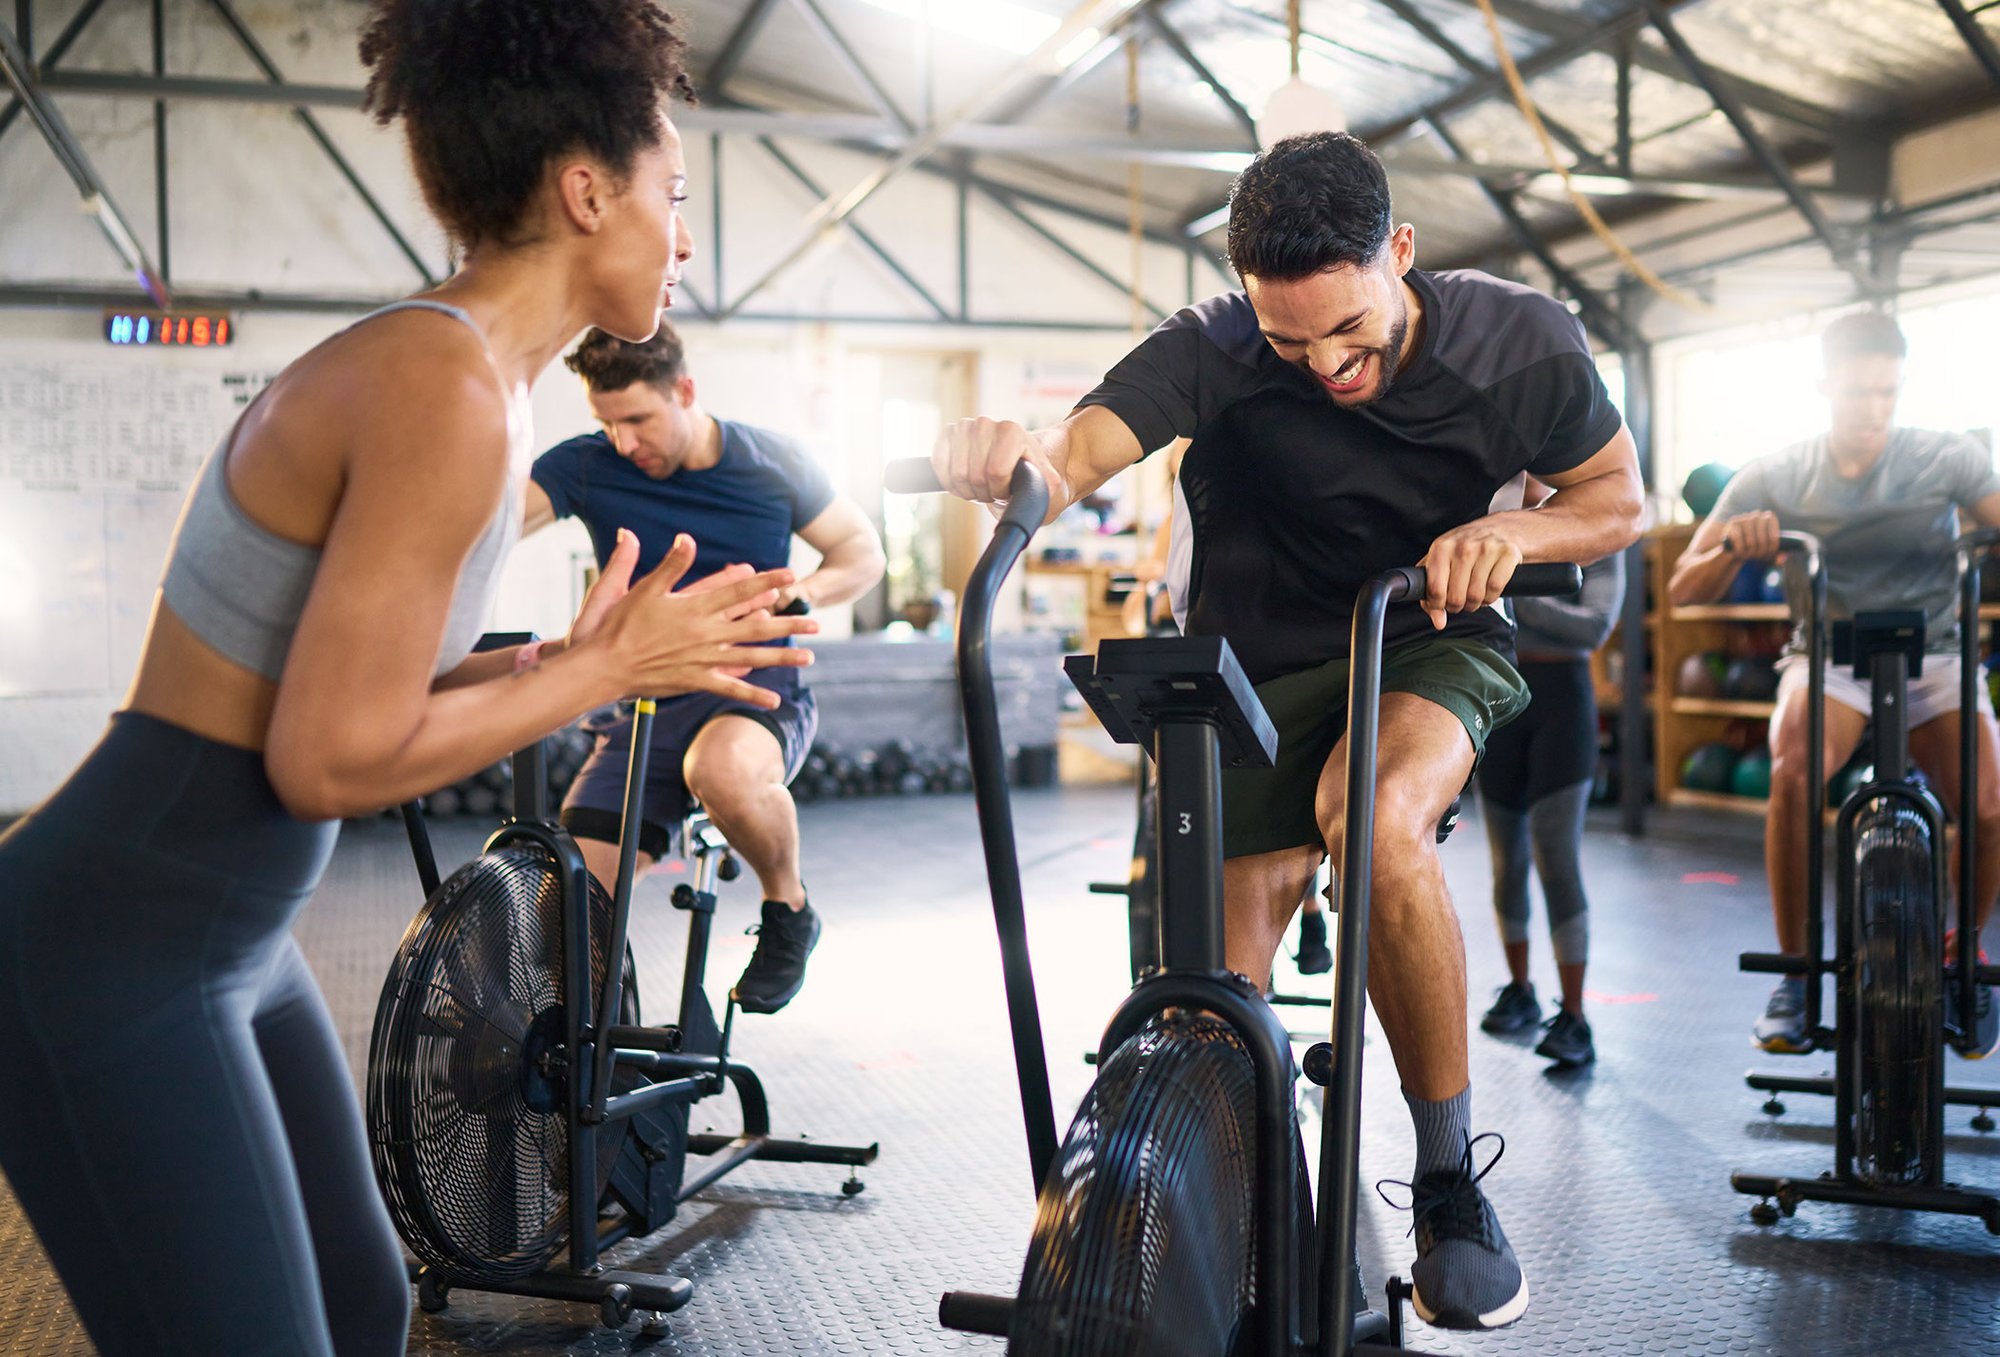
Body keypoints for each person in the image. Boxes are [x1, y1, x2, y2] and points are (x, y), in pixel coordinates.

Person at [0, 5, 818, 1354]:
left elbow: (359, 686)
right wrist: (603, 669)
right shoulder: (443, 386)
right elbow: (323, 760)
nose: (683, 237)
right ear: (583, 188)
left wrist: (561, 659)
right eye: (674, 196)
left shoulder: (469, 379)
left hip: (222, 938)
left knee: (369, 1304)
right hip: (114, 943)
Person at [929, 131, 1642, 1331]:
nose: (1323, 365)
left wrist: (1513, 539)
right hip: (1247, 663)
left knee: (1369, 821)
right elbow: (1076, 451)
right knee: (1214, 997)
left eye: (1348, 330)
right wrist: (1014, 456)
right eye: (1287, 340)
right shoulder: (1212, 344)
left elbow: (1614, 499)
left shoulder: (1518, 340)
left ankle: (1446, 1177)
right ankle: (1249, 1229)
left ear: (1399, 254)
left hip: (1414, 631)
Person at [1667, 310, 2000, 1059]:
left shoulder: (1947, 458)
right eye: (1857, 392)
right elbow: (1687, 584)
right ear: (1825, 387)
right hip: (1831, 660)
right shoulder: (1777, 472)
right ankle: (1794, 975)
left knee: (1987, 804)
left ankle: (1963, 954)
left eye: (1887, 392)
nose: (1873, 410)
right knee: (1789, 773)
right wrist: (1733, 541)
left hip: (1937, 655)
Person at [524, 324, 885, 1014]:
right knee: (566, 915)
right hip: (647, 699)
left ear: (684, 392)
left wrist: (802, 592)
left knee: (717, 770)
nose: (626, 442)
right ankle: (608, 1059)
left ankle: (789, 909)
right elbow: (491, 524)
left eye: (638, 419)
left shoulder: (773, 461)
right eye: (608, 423)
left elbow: (861, 551)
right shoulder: (587, 465)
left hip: (750, 687)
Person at [1475, 538, 1625, 1069]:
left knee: (1555, 856)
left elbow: (1593, 627)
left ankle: (1576, 1017)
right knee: (1505, 861)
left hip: (1563, 703)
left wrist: (1510, 592)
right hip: (1500, 698)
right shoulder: (1499, 526)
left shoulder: (1599, 541)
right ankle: (1520, 990)